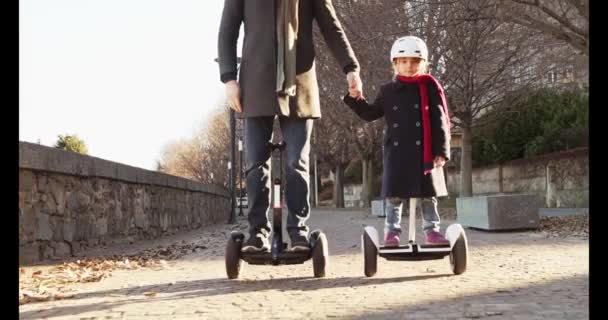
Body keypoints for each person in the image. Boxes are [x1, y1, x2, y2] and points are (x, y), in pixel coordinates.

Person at [218, 0, 363, 252]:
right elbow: (227, 30)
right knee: (254, 164)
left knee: (297, 163)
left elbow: (331, 27)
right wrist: (229, 77)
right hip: (255, 83)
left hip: (300, 84)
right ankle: (257, 233)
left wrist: (350, 68)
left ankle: (298, 233)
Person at [343, 36, 451, 247]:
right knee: (394, 197)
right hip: (398, 152)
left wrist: (441, 151)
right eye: (404, 61)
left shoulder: (430, 87)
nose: (409, 66)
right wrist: (355, 98)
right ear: (395, 63)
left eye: (415, 61)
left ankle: (432, 231)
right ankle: (391, 232)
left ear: (423, 63)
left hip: (426, 153)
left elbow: (440, 121)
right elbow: (370, 113)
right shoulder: (388, 91)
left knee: (428, 196)